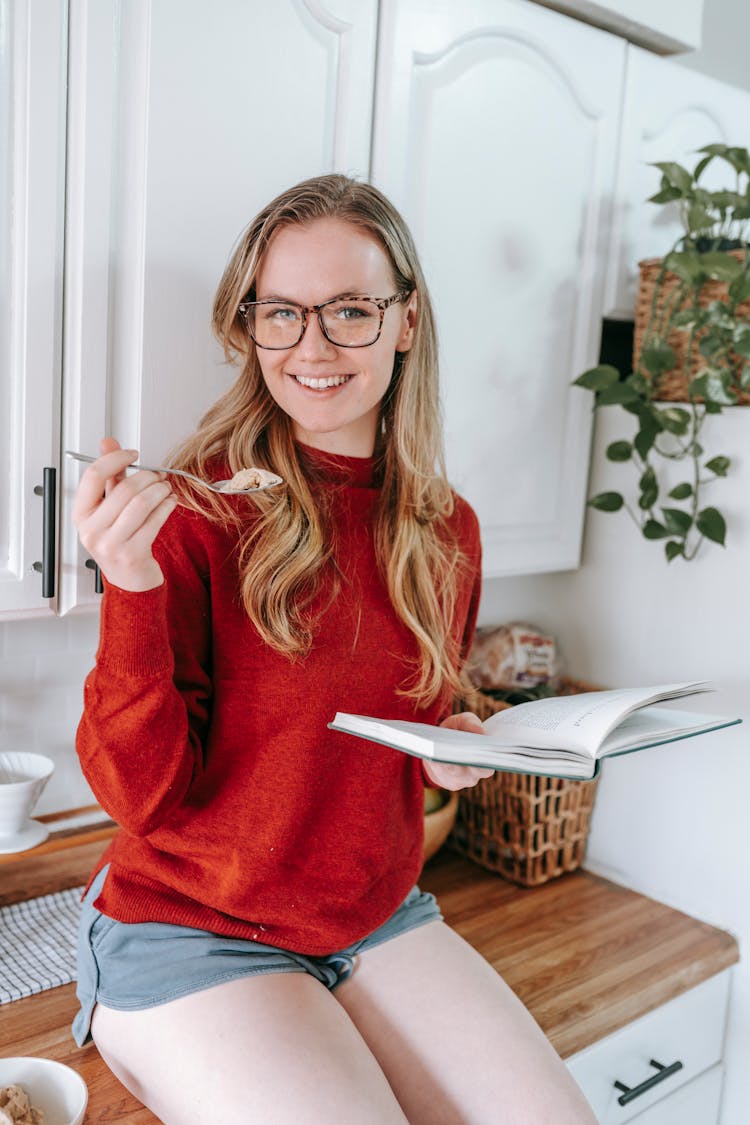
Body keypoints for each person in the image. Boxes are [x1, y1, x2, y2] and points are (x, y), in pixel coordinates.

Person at [71, 174, 595, 1124]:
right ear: (251, 325)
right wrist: (132, 589)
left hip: (375, 912)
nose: (311, 347)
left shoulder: (448, 529)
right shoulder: (195, 515)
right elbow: (139, 796)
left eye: (350, 310)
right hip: (193, 925)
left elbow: (397, 726)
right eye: (282, 312)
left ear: (404, 322)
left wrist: (455, 743)